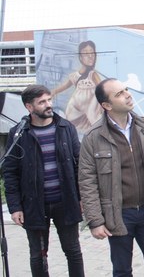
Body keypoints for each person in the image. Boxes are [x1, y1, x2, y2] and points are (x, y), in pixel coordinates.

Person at [78, 78, 144, 276]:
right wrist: (95, 221)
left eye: (126, 90)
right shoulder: (93, 137)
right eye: (119, 93)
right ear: (106, 105)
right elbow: (87, 181)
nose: (127, 95)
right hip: (118, 215)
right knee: (122, 270)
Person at [2, 84, 85, 276]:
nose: (48, 105)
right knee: (38, 255)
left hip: (65, 202)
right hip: (34, 204)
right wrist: (15, 207)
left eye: (49, 100)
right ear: (29, 107)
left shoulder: (65, 127)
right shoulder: (19, 134)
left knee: (73, 250)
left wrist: (81, 198)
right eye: (42, 102)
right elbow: (10, 172)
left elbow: (79, 165)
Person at [51, 40, 103, 134]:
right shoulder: (75, 76)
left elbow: (102, 88)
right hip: (75, 110)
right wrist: (54, 92)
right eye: (86, 53)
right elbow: (65, 86)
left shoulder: (93, 74)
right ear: (80, 57)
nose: (90, 56)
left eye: (92, 53)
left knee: (94, 127)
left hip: (91, 109)